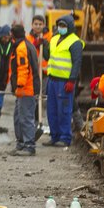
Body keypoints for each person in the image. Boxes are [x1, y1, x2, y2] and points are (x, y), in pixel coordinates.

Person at [43, 14, 84, 148]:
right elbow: (48, 56)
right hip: (52, 80)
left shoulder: (75, 42)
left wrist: (72, 80)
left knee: (64, 110)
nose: (61, 28)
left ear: (70, 27)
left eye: (64, 26)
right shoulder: (54, 39)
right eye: (60, 25)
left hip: (65, 82)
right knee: (52, 110)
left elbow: (77, 63)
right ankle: (54, 136)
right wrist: (44, 45)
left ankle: (65, 137)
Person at [9, 24, 41, 156]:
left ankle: (29, 145)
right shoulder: (26, 45)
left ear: (13, 34)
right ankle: (21, 143)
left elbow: (23, 69)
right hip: (27, 88)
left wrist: (20, 87)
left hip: (26, 89)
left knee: (25, 117)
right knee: (18, 116)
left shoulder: (21, 48)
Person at [27, 15, 51, 133]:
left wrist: (45, 44)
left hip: (45, 73)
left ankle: (43, 122)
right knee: (34, 98)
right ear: (32, 25)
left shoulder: (49, 37)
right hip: (32, 73)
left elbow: (50, 54)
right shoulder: (28, 38)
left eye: (40, 24)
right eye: (35, 24)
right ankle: (34, 122)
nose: (37, 26)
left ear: (44, 25)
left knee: (43, 99)